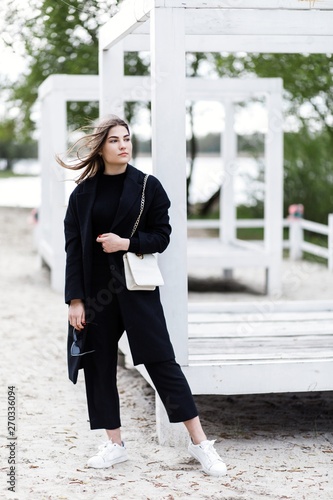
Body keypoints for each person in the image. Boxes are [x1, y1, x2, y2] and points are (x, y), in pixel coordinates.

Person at [58, 115, 227, 477]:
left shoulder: (148, 186)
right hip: (96, 295)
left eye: (127, 138)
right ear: (101, 148)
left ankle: (200, 444)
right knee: (99, 366)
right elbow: (73, 249)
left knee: (162, 362)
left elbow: (162, 236)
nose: (123, 145)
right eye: (115, 140)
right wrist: (75, 299)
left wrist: (127, 244)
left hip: (136, 289)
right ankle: (114, 445)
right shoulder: (81, 195)